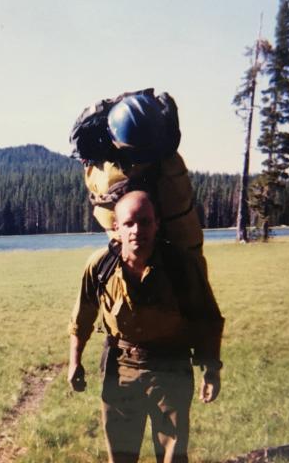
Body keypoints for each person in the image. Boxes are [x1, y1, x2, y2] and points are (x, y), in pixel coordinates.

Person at [67, 190, 224, 463]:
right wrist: (74, 362)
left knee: (173, 454)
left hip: (171, 366)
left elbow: (207, 318)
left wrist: (211, 370)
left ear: (157, 223)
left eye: (145, 222)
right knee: (121, 453)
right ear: (117, 226)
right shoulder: (101, 266)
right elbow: (82, 318)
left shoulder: (182, 265)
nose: (137, 230)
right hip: (120, 367)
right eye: (129, 223)